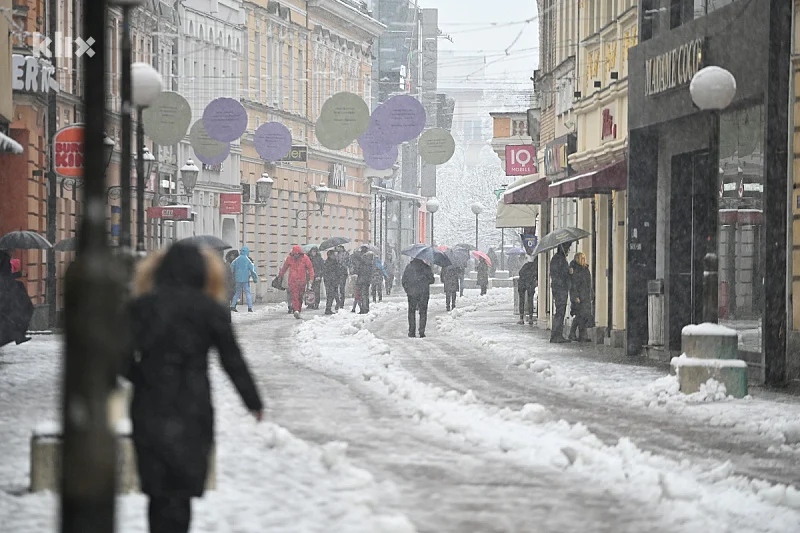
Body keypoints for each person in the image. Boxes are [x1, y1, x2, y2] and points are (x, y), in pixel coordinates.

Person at [126, 242, 263, 533]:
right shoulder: (209, 309)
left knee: (157, 487)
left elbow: (115, 351)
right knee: (182, 486)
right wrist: (252, 401)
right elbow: (232, 359)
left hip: (150, 404)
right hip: (192, 404)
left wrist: (141, 376)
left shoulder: (143, 307)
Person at [0, 251, 33, 347]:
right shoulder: (4, 257)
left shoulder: (4, 257)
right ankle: (18, 334)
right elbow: (5, 275)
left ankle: (18, 334)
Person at [402, 258, 435, 338]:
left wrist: (408, 290)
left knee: (411, 312)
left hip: (412, 293)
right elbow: (432, 280)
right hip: (423, 293)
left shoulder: (409, 267)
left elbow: (404, 281)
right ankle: (421, 331)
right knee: (423, 312)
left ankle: (411, 331)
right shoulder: (426, 267)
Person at [279, 246, 314, 319]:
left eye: (297, 254)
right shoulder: (289, 258)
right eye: (294, 254)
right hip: (292, 281)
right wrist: (280, 276)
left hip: (302, 281)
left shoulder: (305, 258)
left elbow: (310, 268)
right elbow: (284, 268)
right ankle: (296, 310)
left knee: (300, 296)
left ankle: (298, 309)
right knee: (294, 296)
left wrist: (311, 278)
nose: (296, 256)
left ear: (300, 253)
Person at [568, 252, 593, 342]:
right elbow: (573, 284)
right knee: (579, 315)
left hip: (586, 295)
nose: (583, 259)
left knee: (584, 316)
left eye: (584, 258)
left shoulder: (585, 268)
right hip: (579, 296)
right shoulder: (575, 269)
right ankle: (573, 333)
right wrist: (575, 296)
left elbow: (588, 283)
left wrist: (591, 294)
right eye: (581, 258)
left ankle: (582, 335)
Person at [550, 243, 571, 343]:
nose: (568, 251)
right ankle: (556, 335)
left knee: (559, 311)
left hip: (557, 288)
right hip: (560, 288)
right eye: (568, 249)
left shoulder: (555, 259)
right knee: (560, 312)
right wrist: (568, 271)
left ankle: (556, 334)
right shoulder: (560, 260)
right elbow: (561, 274)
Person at [230, 246, 258, 313]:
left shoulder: (237, 259)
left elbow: (232, 266)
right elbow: (253, 270)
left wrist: (233, 273)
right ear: (247, 252)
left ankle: (233, 306)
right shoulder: (247, 260)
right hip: (245, 279)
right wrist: (255, 279)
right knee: (248, 293)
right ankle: (250, 308)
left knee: (237, 293)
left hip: (238, 279)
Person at [517, 255, 538, 325]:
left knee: (522, 300)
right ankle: (531, 318)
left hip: (522, 283)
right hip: (529, 283)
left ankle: (521, 318)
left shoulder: (527, 265)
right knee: (530, 300)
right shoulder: (537, 267)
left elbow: (520, 272)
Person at [322, 250, 345, 314]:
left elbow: (338, 271)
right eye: (333, 255)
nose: (334, 256)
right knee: (330, 295)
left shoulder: (335, 262)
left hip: (334, 281)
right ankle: (328, 308)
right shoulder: (328, 263)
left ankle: (337, 305)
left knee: (335, 294)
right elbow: (326, 273)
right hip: (330, 281)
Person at [354, 246, 374, 313]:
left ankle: (364, 308)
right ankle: (365, 308)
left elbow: (360, 270)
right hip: (365, 280)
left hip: (362, 279)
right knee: (364, 294)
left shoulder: (364, 261)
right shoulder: (369, 261)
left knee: (363, 295)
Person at [335, 245, 349, 309]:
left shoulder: (346, 254)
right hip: (337, 273)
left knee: (342, 289)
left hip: (343, 273)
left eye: (338, 247)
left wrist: (342, 264)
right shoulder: (336, 255)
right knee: (336, 288)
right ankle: (338, 301)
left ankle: (341, 303)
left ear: (341, 248)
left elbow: (347, 263)